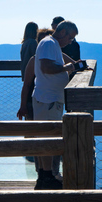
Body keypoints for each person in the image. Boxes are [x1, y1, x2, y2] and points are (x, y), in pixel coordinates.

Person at [32, 21, 79, 190]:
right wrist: (67, 68)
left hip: (50, 100)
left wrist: (73, 64)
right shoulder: (48, 43)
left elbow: (54, 61)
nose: (71, 42)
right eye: (70, 38)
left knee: (46, 138)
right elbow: (46, 67)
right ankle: (46, 177)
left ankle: (45, 176)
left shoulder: (52, 44)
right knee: (47, 138)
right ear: (63, 32)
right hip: (48, 100)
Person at [17, 28, 53, 173]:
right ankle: (43, 170)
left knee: (41, 133)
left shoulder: (33, 55)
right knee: (40, 133)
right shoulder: (36, 60)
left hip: (45, 100)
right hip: (36, 100)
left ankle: (45, 170)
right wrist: (23, 105)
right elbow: (27, 85)